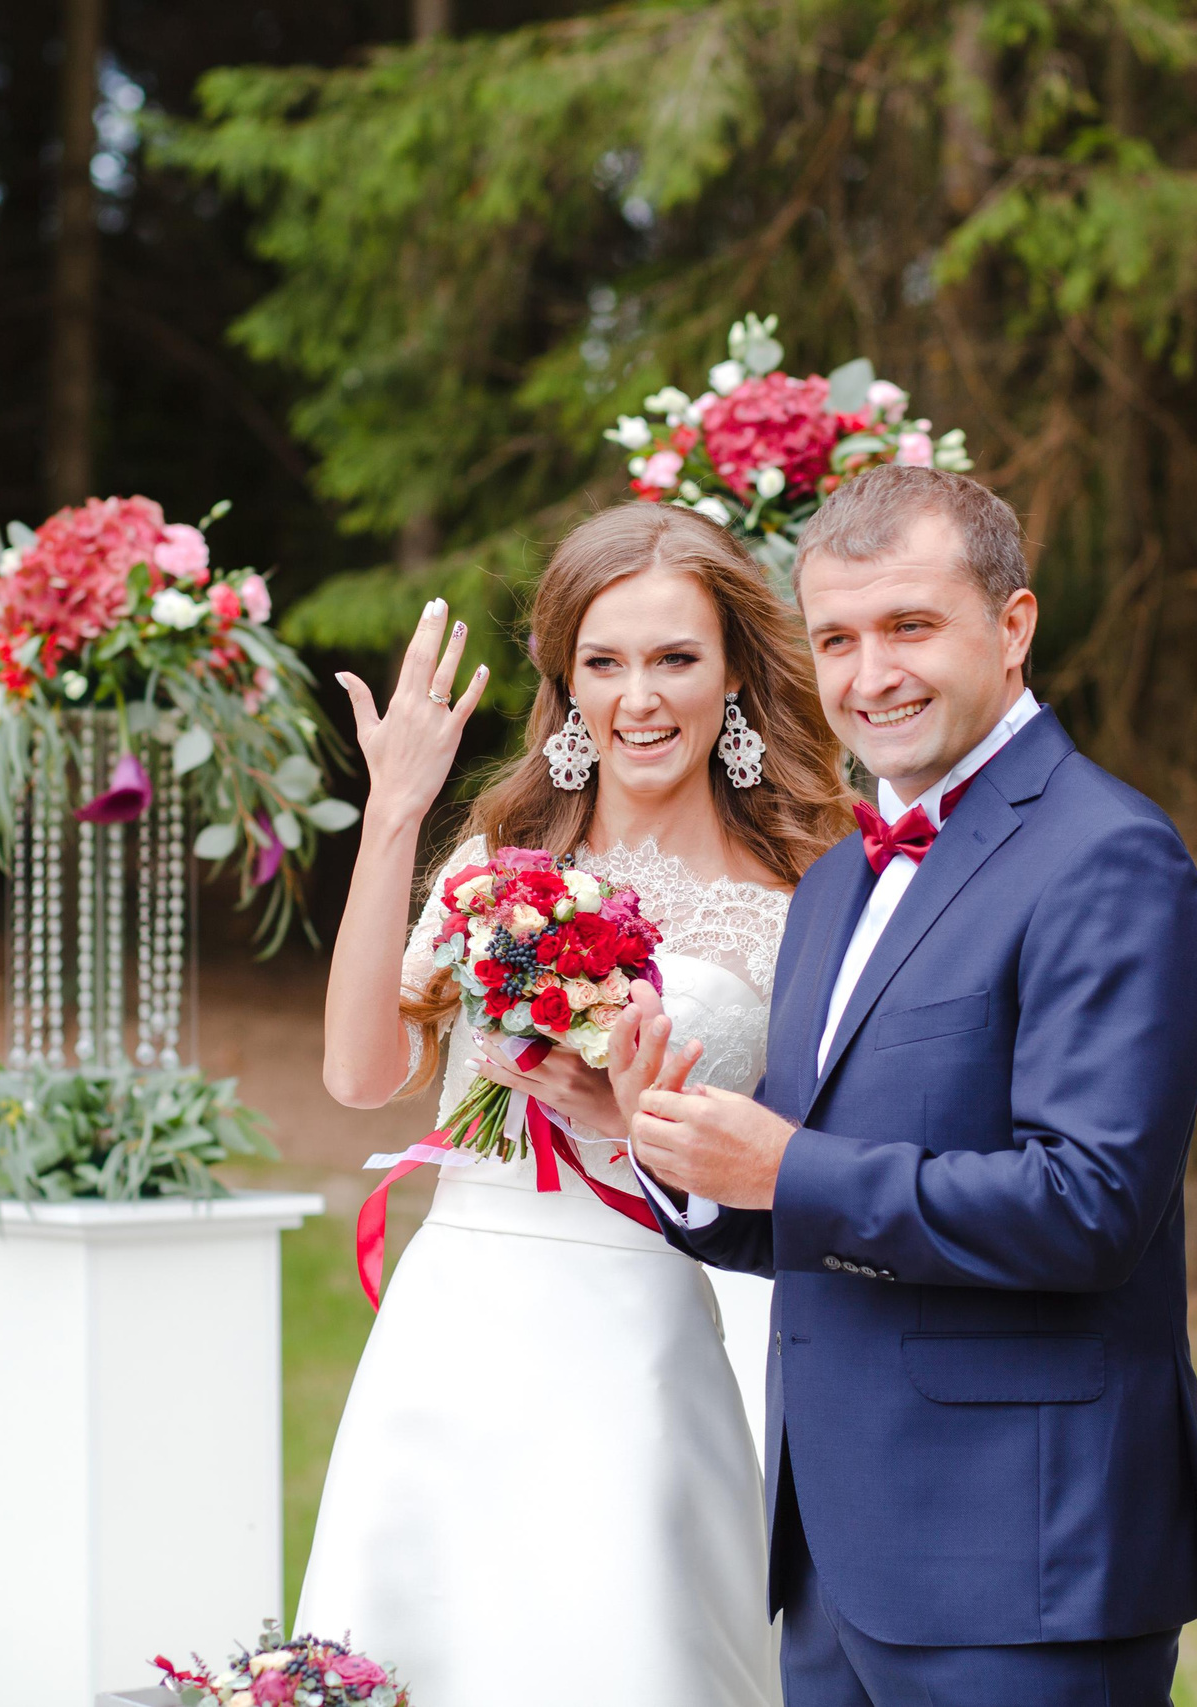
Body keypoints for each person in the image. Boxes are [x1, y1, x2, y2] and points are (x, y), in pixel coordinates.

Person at [619, 464, 1197, 1707]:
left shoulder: (1108, 855)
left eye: (910, 626)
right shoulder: (839, 882)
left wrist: (782, 1165)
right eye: (836, 638)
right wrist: (672, 1150)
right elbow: (810, 1209)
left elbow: (1087, 1206)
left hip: (1023, 1563)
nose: (869, 675)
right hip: (835, 1561)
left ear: (1011, 630)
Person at [298, 502, 854, 1707]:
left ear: (735, 678)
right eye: (602, 663)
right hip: (453, 1322)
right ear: (565, 683)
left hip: (640, 1334)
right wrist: (396, 812)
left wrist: (635, 1120)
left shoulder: (805, 895)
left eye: (674, 659)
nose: (637, 699)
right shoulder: (498, 856)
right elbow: (359, 1076)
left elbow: (810, 1151)